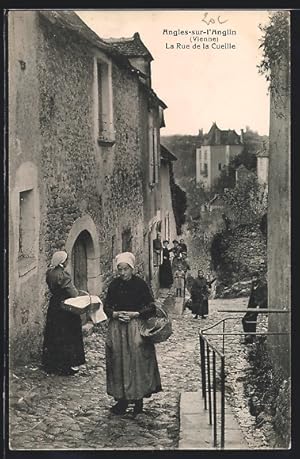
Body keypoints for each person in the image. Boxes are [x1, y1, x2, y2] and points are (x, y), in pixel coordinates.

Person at [104, 252, 162, 416]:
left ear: (132, 269)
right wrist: (114, 314)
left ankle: (138, 400)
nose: (122, 273)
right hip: (117, 328)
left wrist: (135, 314)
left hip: (135, 327)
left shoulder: (140, 285)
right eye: (120, 269)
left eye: (125, 269)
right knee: (118, 361)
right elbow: (106, 306)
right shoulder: (114, 285)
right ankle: (121, 401)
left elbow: (151, 307)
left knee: (137, 361)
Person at [42, 251, 86, 376]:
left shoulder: (49, 273)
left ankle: (52, 364)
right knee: (68, 334)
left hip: (54, 305)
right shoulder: (63, 275)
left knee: (54, 333)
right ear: (62, 262)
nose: (67, 262)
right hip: (66, 306)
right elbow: (74, 293)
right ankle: (67, 365)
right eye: (66, 260)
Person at [242, 269, 268, 344]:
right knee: (244, 319)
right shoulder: (253, 285)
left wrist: (259, 306)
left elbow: (265, 297)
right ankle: (248, 336)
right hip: (253, 305)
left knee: (252, 318)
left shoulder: (263, 285)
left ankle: (251, 337)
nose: (254, 279)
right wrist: (248, 308)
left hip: (261, 306)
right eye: (252, 278)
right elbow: (252, 297)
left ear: (258, 277)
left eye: (255, 277)